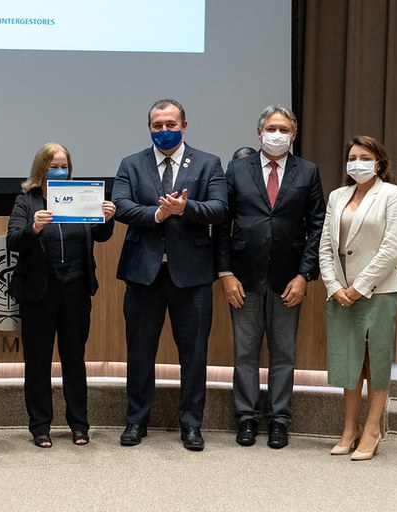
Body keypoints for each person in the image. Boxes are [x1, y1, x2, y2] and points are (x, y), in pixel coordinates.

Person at [112, 99, 228, 451]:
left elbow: (220, 208)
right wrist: (158, 216)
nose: (164, 131)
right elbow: (121, 206)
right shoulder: (131, 163)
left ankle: (191, 425)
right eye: (158, 125)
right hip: (143, 275)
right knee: (139, 352)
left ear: (184, 125)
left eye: (171, 124)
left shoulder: (209, 163)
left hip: (191, 278)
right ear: (149, 127)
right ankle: (136, 421)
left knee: (193, 355)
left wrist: (185, 208)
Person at [216, 105, 325, 449]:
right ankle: (246, 418)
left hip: (288, 277)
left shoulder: (307, 171)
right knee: (244, 353)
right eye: (271, 128)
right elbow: (221, 224)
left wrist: (305, 275)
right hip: (243, 276)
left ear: (293, 135)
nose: (277, 134)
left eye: (283, 129)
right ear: (259, 132)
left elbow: (318, 226)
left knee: (283, 353)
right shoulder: (236, 169)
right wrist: (225, 272)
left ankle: (279, 420)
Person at [7, 143, 115, 448]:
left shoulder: (81, 197)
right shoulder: (26, 201)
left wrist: (108, 218)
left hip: (76, 291)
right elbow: (14, 240)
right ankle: (40, 426)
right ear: (41, 168)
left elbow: (101, 235)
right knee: (38, 362)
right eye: (54, 165)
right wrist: (34, 228)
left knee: (74, 360)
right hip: (38, 294)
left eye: (64, 165)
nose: (60, 170)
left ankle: (79, 424)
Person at [320, 135, 397, 461]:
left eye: (364, 156)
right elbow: (326, 246)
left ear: (379, 163)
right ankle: (349, 429)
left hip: (378, 290)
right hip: (340, 290)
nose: (357, 162)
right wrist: (334, 285)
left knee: (375, 361)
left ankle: (372, 429)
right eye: (352, 157)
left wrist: (360, 287)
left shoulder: (393, 194)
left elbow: (392, 248)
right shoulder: (337, 195)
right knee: (349, 362)